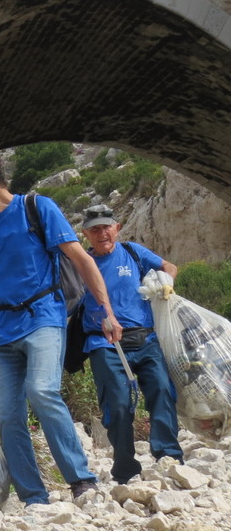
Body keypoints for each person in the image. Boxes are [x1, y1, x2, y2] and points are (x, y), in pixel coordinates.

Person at [0, 142, 119, 505]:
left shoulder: (37, 208)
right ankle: (33, 497)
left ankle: (81, 480)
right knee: (9, 415)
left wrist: (106, 310)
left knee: (42, 391)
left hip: (42, 317)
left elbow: (81, 259)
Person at [77, 203, 183, 484]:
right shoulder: (81, 264)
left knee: (162, 389)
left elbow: (169, 266)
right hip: (103, 343)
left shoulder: (133, 252)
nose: (102, 233)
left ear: (117, 228)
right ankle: (125, 469)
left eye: (106, 227)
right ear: (86, 234)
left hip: (145, 338)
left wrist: (166, 281)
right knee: (118, 404)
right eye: (95, 230)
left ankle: (169, 456)